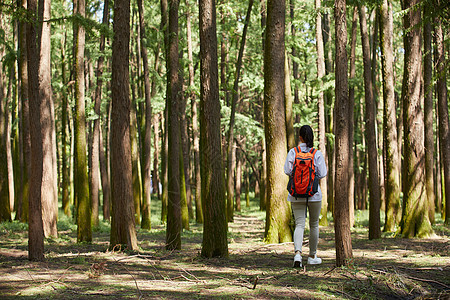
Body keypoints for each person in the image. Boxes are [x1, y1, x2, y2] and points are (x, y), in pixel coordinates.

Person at [284, 125, 327, 268]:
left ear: (300, 137)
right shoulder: (317, 153)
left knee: (299, 224)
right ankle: (312, 256)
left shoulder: (293, 152)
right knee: (314, 224)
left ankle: (297, 254)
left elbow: (287, 171)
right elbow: (322, 173)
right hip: (314, 194)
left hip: (296, 194)